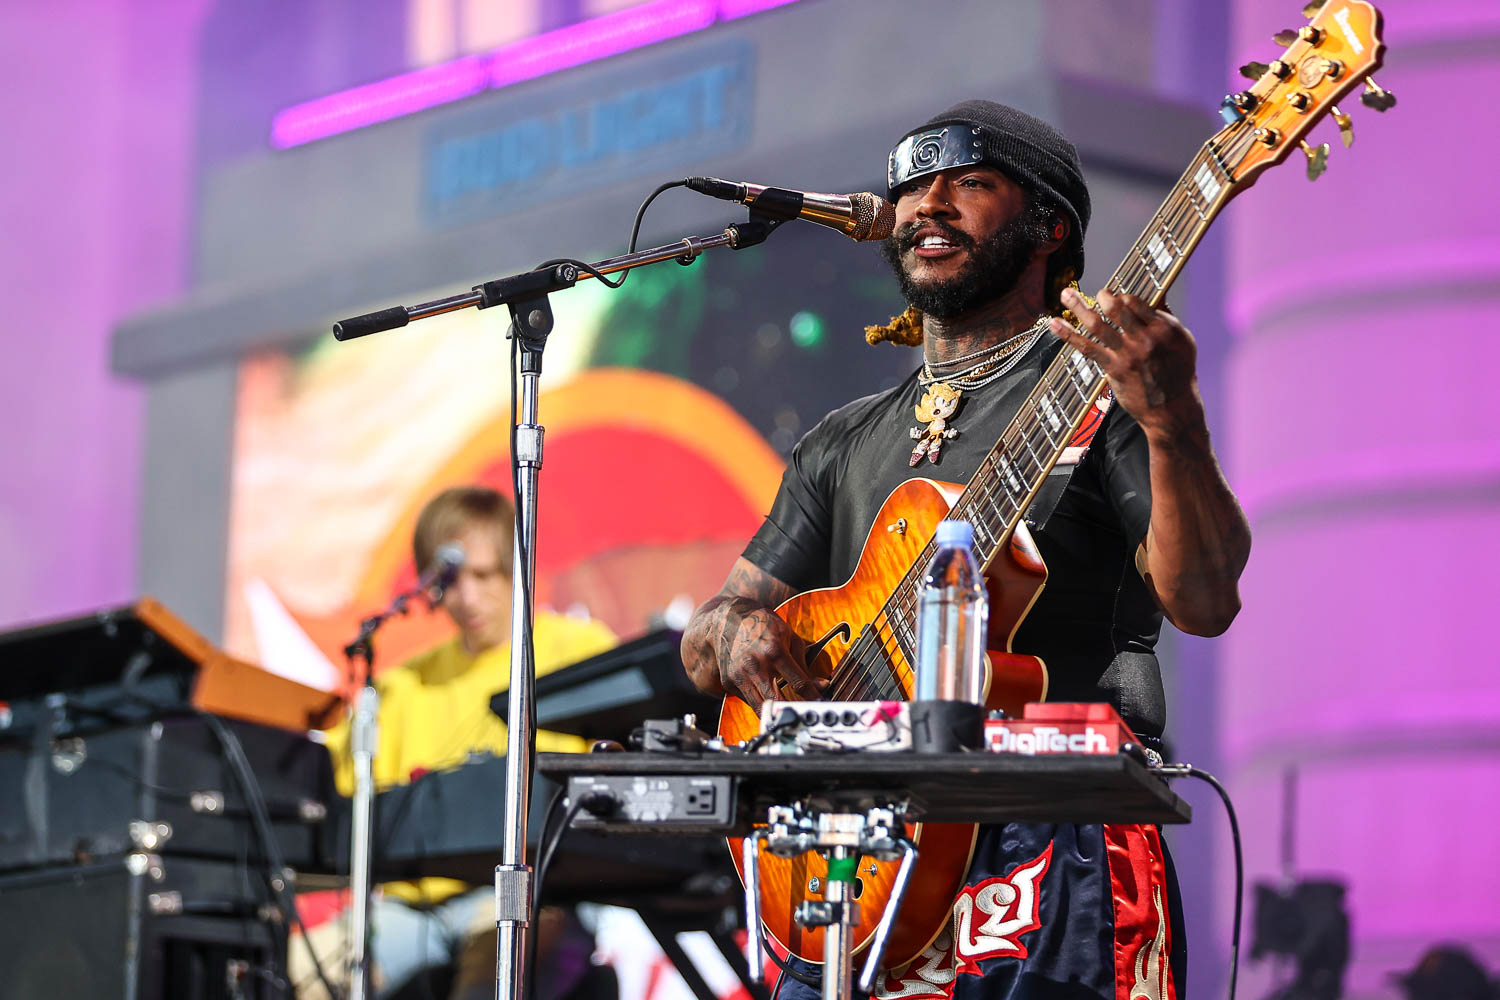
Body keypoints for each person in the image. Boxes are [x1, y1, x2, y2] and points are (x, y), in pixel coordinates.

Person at [681, 100, 1251, 998]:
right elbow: (705, 640)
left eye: (969, 184)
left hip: (1048, 841)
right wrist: (741, 631)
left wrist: (1172, 420)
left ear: (1047, 228)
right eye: (911, 188)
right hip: (853, 858)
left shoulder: (1103, 395)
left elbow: (1207, 603)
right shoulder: (843, 439)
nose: (926, 205)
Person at [317, 486, 617, 1000]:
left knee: (498, 970)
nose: (469, 598)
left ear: (517, 568)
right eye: (452, 580)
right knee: (300, 966)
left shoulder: (580, 651)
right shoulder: (399, 685)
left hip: (534, 895)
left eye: (485, 575)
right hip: (409, 910)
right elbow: (325, 785)